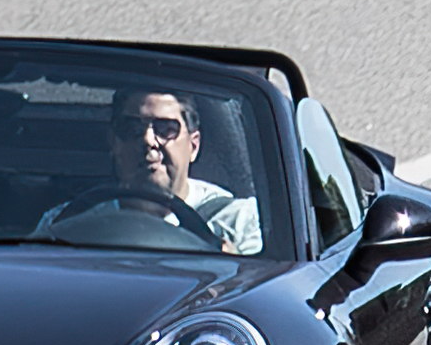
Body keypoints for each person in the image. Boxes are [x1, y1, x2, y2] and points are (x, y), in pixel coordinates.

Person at [34, 89, 261, 253]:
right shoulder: (66, 224)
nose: (147, 140)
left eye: (165, 129)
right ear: (114, 143)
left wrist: (234, 268)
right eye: (131, 128)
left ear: (193, 146)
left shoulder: (239, 221)